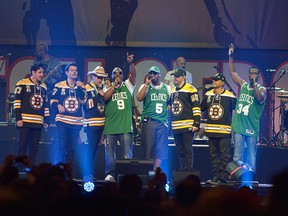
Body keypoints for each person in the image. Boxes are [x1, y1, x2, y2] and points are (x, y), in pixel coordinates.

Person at [229, 43, 266, 172]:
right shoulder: (243, 85)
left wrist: (255, 83)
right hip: (239, 126)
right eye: (251, 73)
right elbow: (232, 72)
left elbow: (259, 98)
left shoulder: (262, 89)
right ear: (248, 75)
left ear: (258, 76)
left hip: (251, 128)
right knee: (236, 157)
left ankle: (251, 181)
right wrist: (231, 55)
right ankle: (238, 179)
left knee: (251, 157)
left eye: (255, 74)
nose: (253, 75)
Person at [103, 53, 136, 182]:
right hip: (110, 127)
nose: (117, 75)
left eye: (120, 73)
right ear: (112, 76)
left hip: (125, 127)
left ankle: (126, 176)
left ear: (123, 75)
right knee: (110, 155)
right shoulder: (107, 86)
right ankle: (111, 174)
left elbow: (133, 75)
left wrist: (131, 63)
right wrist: (113, 85)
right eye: (115, 73)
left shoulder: (128, 85)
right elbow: (106, 97)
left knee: (127, 155)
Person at [200, 73, 237, 184]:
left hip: (224, 131)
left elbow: (237, 110)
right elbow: (201, 108)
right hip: (211, 131)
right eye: (213, 80)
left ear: (222, 83)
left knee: (224, 156)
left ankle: (224, 177)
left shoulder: (230, 96)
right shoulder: (208, 94)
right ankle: (216, 176)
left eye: (216, 80)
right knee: (213, 156)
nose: (214, 82)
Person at [50, 62, 85, 170]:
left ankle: (68, 171)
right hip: (63, 121)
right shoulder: (59, 85)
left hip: (76, 122)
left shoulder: (81, 86)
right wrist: (58, 104)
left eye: (76, 70)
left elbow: (83, 101)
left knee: (72, 148)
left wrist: (79, 88)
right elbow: (51, 100)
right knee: (62, 145)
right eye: (72, 70)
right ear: (66, 72)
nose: (74, 71)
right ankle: (58, 171)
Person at [13, 62, 50, 165]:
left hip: (38, 121)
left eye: (43, 72)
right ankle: (19, 168)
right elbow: (17, 103)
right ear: (33, 72)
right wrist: (18, 118)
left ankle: (30, 167)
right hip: (25, 120)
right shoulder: (22, 83)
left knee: (34, 147)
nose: (42, 75)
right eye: (39, 72)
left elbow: (45, 105)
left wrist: (46, 119)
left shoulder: (44, 87)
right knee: (22, 145)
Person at [136, 66, 171, 171]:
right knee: (148, 149)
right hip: (149, 121)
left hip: (162, 122)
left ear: (159, 75)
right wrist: (146, 84)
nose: (153, 75)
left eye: (155, 73)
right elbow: (139, 98)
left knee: (160, 151)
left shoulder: (167, 88)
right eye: (151, 73)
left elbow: (170, 103)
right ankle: (148, 172)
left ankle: (156, 171)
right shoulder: (145, 86)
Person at [169, 68, 201, 171]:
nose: (175, 78)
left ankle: (188, 171)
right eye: (175, 76)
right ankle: (181, 170)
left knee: (187, 149)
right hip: (175, 126)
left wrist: (196, 123)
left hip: (187, 126)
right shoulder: (172, 90)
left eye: (177, 76)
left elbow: (196, 107)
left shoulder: (191, 89)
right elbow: (170, 106)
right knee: (179, 150)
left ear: (184, 77)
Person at [83, 66, 107, 180]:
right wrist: (99, 95)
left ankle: (91, 173)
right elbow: (87, 105)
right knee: (91, 149)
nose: (100, 79)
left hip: (101, 123)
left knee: (95, 150)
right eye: (98, 77)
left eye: (101, 77)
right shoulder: (86, 88)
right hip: (91, 123)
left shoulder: (102, 88)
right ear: (92, 76)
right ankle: (87, 173)